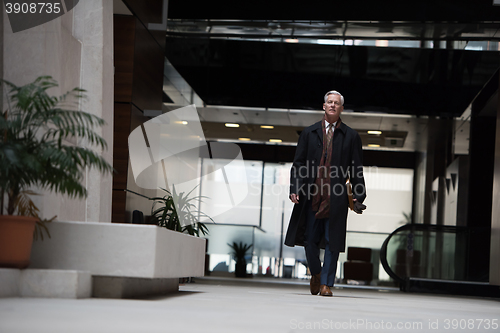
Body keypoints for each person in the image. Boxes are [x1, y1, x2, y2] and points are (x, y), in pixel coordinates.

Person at [284, 90, 367, 296]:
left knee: (333, 240)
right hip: (312, 194)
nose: (332, 105)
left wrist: (359, 193)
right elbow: (298, 164)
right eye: (329, 102)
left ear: (341, 108)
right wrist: (295, 187)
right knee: (310, 239)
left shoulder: (351, 136)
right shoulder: (309, 133)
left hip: (337, 196)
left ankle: (326, 285)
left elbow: (356, 168)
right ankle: (317, 273)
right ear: (324, 106)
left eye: (336, 103)